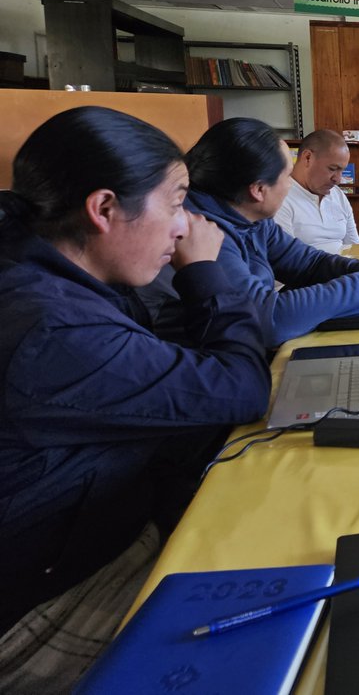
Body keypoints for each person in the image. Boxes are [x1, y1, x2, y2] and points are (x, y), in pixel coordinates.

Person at [0, 107, 271, 692]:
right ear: (102, 210)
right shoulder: (56, 330)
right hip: (46, 598)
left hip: (95, 520)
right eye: (175, 203)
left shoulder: (47, 269)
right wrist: (204, 270)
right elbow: (240, 389)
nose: (183, 227)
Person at [145, 118, 359, 347]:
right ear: (258, 189)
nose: (290, 185)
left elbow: (310, 263)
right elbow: (270, 319)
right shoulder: (202, 232)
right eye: (286, 176)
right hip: (204, 368)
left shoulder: (250, 217)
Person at [275, 129, 359, 254]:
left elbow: (355, 248)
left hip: (346, 268)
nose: (337, 179)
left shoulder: (338, 195)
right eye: (332, 169)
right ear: (308, 157)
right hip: (312, 271)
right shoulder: (280, 197)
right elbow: (287, 259)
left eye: (341, 171)